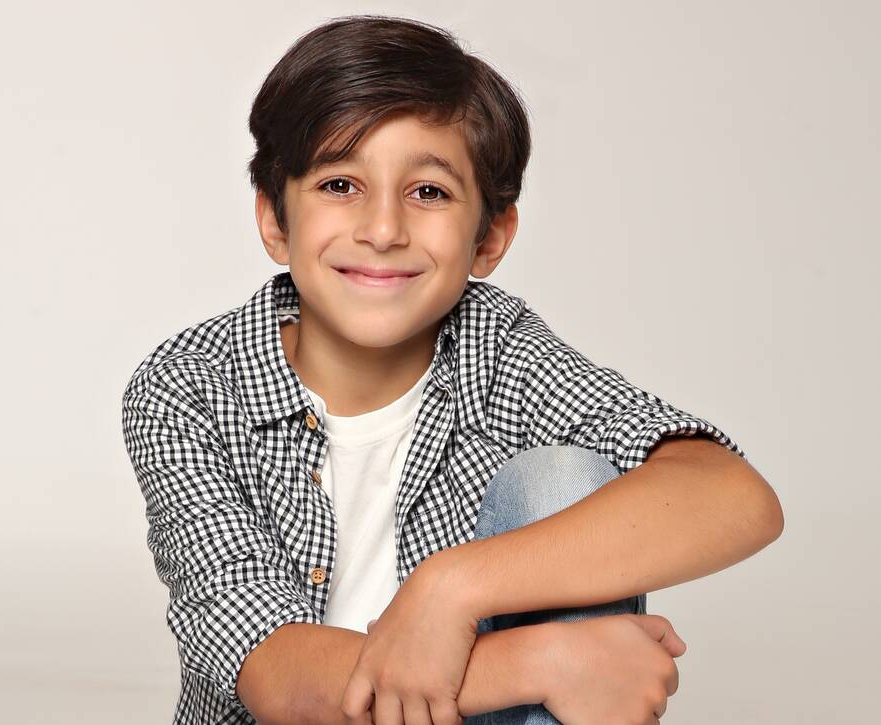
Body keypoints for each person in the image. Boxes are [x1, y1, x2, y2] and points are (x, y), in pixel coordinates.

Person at [120, 14, 783, 725]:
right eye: (340, 184)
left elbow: (735, 497)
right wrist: (548, 662)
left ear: (488, 239)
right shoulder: (190, 386)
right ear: (276, 221)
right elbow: (280, 679)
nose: (383, 230)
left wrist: (451, 587)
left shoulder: (499, 350)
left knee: (562, 480)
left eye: (428, 192)